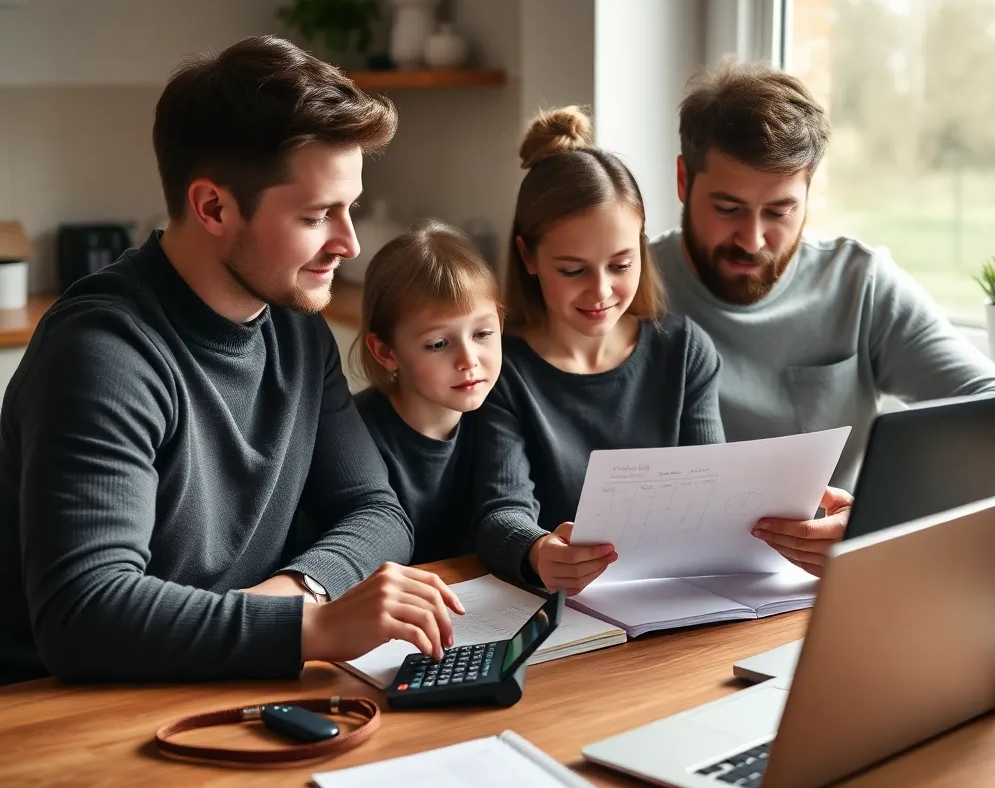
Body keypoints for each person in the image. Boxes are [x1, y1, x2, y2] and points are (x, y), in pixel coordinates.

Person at [0, 36, 462, 686]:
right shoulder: (100, 354)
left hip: (228, 676)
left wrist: (295, 594)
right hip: (67, 710)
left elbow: (377, 513)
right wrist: (313, 627)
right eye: (316, 215)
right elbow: (85, 613)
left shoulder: (299, 330)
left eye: (350, 208)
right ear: (213, 206)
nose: (349, 243)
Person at [650, 59, 995, 573]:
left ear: (807, 197)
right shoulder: (623, 285)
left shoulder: (859, 283)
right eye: (728, 208)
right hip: (663, 581)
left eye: (780, 211)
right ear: (683, 180)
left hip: (821, 584)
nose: (752, 239)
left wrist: (877, 522)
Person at [473, 106, 726, 596]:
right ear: (528, 256)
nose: (601, 292)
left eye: (620, 264)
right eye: (573, 270)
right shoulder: (501, 369)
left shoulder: (683, 350)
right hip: (565, 610)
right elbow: (500, 512)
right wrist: (539, 550)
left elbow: (710, 492)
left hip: (672, 597)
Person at [355, 220, 503, 563]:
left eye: (482, 334)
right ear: (386, 352)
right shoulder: (355, 434)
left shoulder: (500, 415)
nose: (468, 360)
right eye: (438, 344)